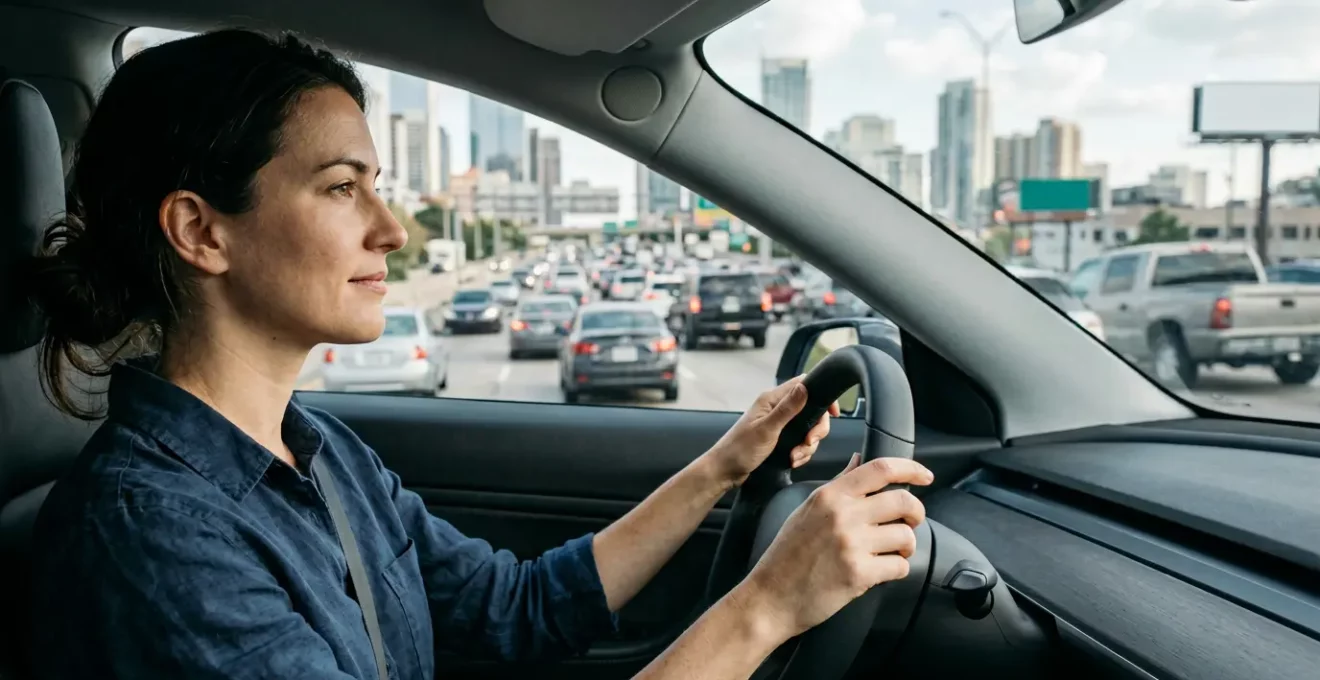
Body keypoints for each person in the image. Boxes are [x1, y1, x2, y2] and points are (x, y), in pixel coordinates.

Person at [24, 29, 933, 680]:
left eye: (376, 186)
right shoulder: (147, 535)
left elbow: (523, 609)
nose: (395, 230)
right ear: (200, 231)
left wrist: (725, 466)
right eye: (342, 187)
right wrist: (767, 608)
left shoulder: (321, 452)